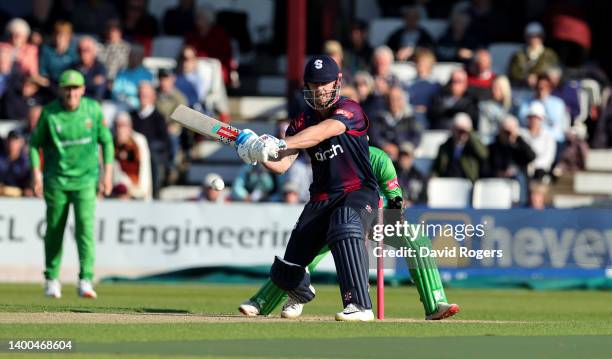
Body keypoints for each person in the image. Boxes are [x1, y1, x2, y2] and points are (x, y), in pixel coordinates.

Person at [233, 55, 385, 321]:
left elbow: (323, 132)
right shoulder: (301, 122)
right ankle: (301, 292)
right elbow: (282, 165)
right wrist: (257, 153)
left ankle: (360, 306)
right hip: (321, 199)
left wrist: (279, 143)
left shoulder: (350, 109)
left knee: (345, 223)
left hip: (358, 192)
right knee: (286, 269)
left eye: (324, 83)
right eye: (313, 84)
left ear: (337, 82)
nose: (319, 90)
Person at [238, 146, 459, 320]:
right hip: (336, 217)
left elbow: (395, 198)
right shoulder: (332, 159)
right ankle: (265, 302)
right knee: (305, 255)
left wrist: (393, 218)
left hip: (376, 217)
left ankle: (435, 304)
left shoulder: (379, 159)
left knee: (417, 241)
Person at [29, 70, 114, 299]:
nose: (71, 93)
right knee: (55, 229)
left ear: (83, 89)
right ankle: (51, 278)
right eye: (67, 88)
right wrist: (37, 174)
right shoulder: (49, 113)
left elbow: (106, 141)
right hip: (56, 180)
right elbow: (34, 145)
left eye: (75, 88)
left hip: (86, 180)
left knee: (85, 228)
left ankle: (85, 279)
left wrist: (107, 175)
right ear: (60, 90)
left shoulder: (93, 110)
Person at [130, 82, 170, 197]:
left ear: (153, 97)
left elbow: (164, 142)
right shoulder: (132, 116)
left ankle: (154, 194)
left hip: (151, 157)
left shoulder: (159, 118)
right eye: (140, 95)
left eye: (145, 95)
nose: (142, 98)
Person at [369, 85, 422, 161]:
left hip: (403, 156)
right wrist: (385, 145)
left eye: (397, 99)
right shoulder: (377, 117)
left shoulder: (411, 118)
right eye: (390, 98)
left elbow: (417, 136)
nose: (393, 102)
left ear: (402, 100)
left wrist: (402, 148)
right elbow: (374, 135)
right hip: (383, 155)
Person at [432, 113, 488, 182]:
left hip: (467, 181)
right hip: (447, 182)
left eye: (464, 131)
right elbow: (436, 167)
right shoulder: (444, 147)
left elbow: (484, 155)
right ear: (453, 129)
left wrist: (470, 134)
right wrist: (433, 177)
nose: (461, 134)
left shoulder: (473, 146)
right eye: (459, 131)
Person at [112, 111, 152, 200]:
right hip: (116, 187)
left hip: (135, 188)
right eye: (118, 125)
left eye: (123, 125)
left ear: (130, 126)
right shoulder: (111, 142)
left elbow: (144, 168)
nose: (120, 129)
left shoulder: (139, 141)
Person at [508, 22, 559, 87]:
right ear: (526, 37)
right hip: (522, 89)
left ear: (542, 37)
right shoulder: (518, 55)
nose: (534, 39)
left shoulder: (550, 54)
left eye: (537, 36)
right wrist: (526, 78)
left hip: (545, 89)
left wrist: (539, 77)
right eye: (531, 36)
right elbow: (513, 73)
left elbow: (557, 71)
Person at [404, 48, 441, 129]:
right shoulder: (408, 83)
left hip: (429, 116)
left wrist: (426, 109)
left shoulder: (436, 85)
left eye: (424, 63)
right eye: (418, 62)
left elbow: (438, 104)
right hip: (411, 115)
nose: (420, 65)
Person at [518, 102, 556, 177]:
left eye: (536, 118)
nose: (534, 120)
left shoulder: (548, 136)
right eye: (531, 117)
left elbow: (548, 157)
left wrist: (534, 165)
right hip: (523, 169)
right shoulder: (520, 134)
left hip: (541, 171)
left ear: (541, 119)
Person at [112, 45, 153, 109]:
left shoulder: (147, 74)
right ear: (129, 57)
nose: (134, 58)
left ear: (141, 58)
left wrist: (129, 93)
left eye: (137, 56)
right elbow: (115, 92)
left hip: (142, 106)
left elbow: (148, 93)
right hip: (124, 105)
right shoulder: (122, 73)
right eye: (132, 55)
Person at [38, 20, 78, 87]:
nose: (58, 38)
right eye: (56, 34)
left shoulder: (75, 51)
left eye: (62, 36)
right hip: (50, 86)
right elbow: (43, 72)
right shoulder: (46, 50)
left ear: (69, 36)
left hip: (69, 84)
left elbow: (78, 70)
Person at [478, 75, 513, 144]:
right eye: (493, 87)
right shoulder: (486, 107)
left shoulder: (513, 107)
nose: (494, 91)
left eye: (497, 88)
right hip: (491, 143)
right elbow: (483, 131)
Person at [71, 36, 107, 101]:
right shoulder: (73, 67)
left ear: (94, 51)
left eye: (86, 50)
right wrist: (92, 82)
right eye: (80, 50)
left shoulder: (100, 68)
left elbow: (98, 94)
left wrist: (80, 85)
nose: (83, 53)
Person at [0, 129, 31, 197]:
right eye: (10, 141)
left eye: (16, 141)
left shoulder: (26, 163)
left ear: (21, 143)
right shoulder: (1, 160)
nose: (12, 144)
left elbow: (28, 188)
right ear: (6, 142)